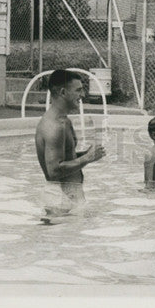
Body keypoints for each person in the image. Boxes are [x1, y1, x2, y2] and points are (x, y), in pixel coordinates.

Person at [35, 69, 106, 218]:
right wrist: (88, 158)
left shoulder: (64, 121)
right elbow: (53, 171)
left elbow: (65, 158)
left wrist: (86, 154)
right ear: (62, 92)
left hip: (68, 195)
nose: (83, 95)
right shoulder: (55, 126)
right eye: (78, 90)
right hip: (61, 198)